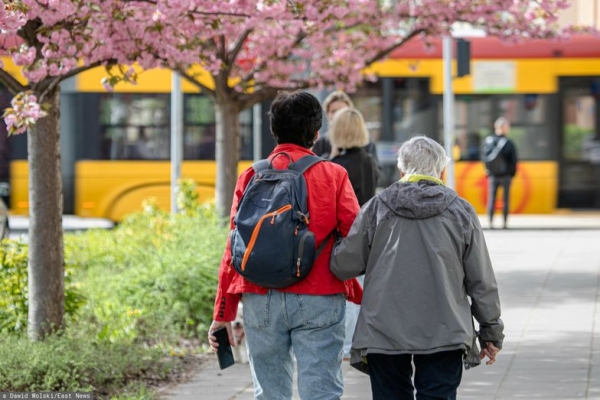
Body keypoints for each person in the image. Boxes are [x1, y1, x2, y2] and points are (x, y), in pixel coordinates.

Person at [208, 91, 362, 400]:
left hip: (259, 296)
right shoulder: (333, 175)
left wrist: (224, 311)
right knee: (321, 391)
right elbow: (356, 238)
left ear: (274, 130)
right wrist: (355, 290)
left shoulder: (251, 175)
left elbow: (234, 246)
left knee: (269, 393)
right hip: (319, 295)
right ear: (316, 132)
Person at [331, 135, 504, 400]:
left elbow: (344, 264)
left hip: (383, 330)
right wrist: (490, 331)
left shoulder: (377, 207)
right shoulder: (461, 211)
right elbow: (481, 280)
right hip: (445, 331)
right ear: (442, 171)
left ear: (401, 170)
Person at [328, 107, 379, 360]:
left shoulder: (335, 166)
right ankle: (362, 342)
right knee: (363, 290)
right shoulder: (369, 162)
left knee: (347, 294)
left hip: (344, 237)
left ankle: (347, 346)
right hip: (369, 235)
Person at [313, 90, 380, 167]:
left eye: (342, 111)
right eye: (334, 111)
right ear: (327, 114)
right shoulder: (321, 143)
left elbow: (377, 174)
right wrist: (331, 157)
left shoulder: (365, 142)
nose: (338, 115)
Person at [483, 117, 518, 229]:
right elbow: (513, 160)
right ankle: (504, 223)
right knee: (506, 199)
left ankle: (490, 222)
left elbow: (484, 158)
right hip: (505, 175)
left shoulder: (488, 141)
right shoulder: (508, 143)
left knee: (491, 199)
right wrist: (511, 174)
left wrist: (488, 171)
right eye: (507, 126)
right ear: (503, 127)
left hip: (492, 175)